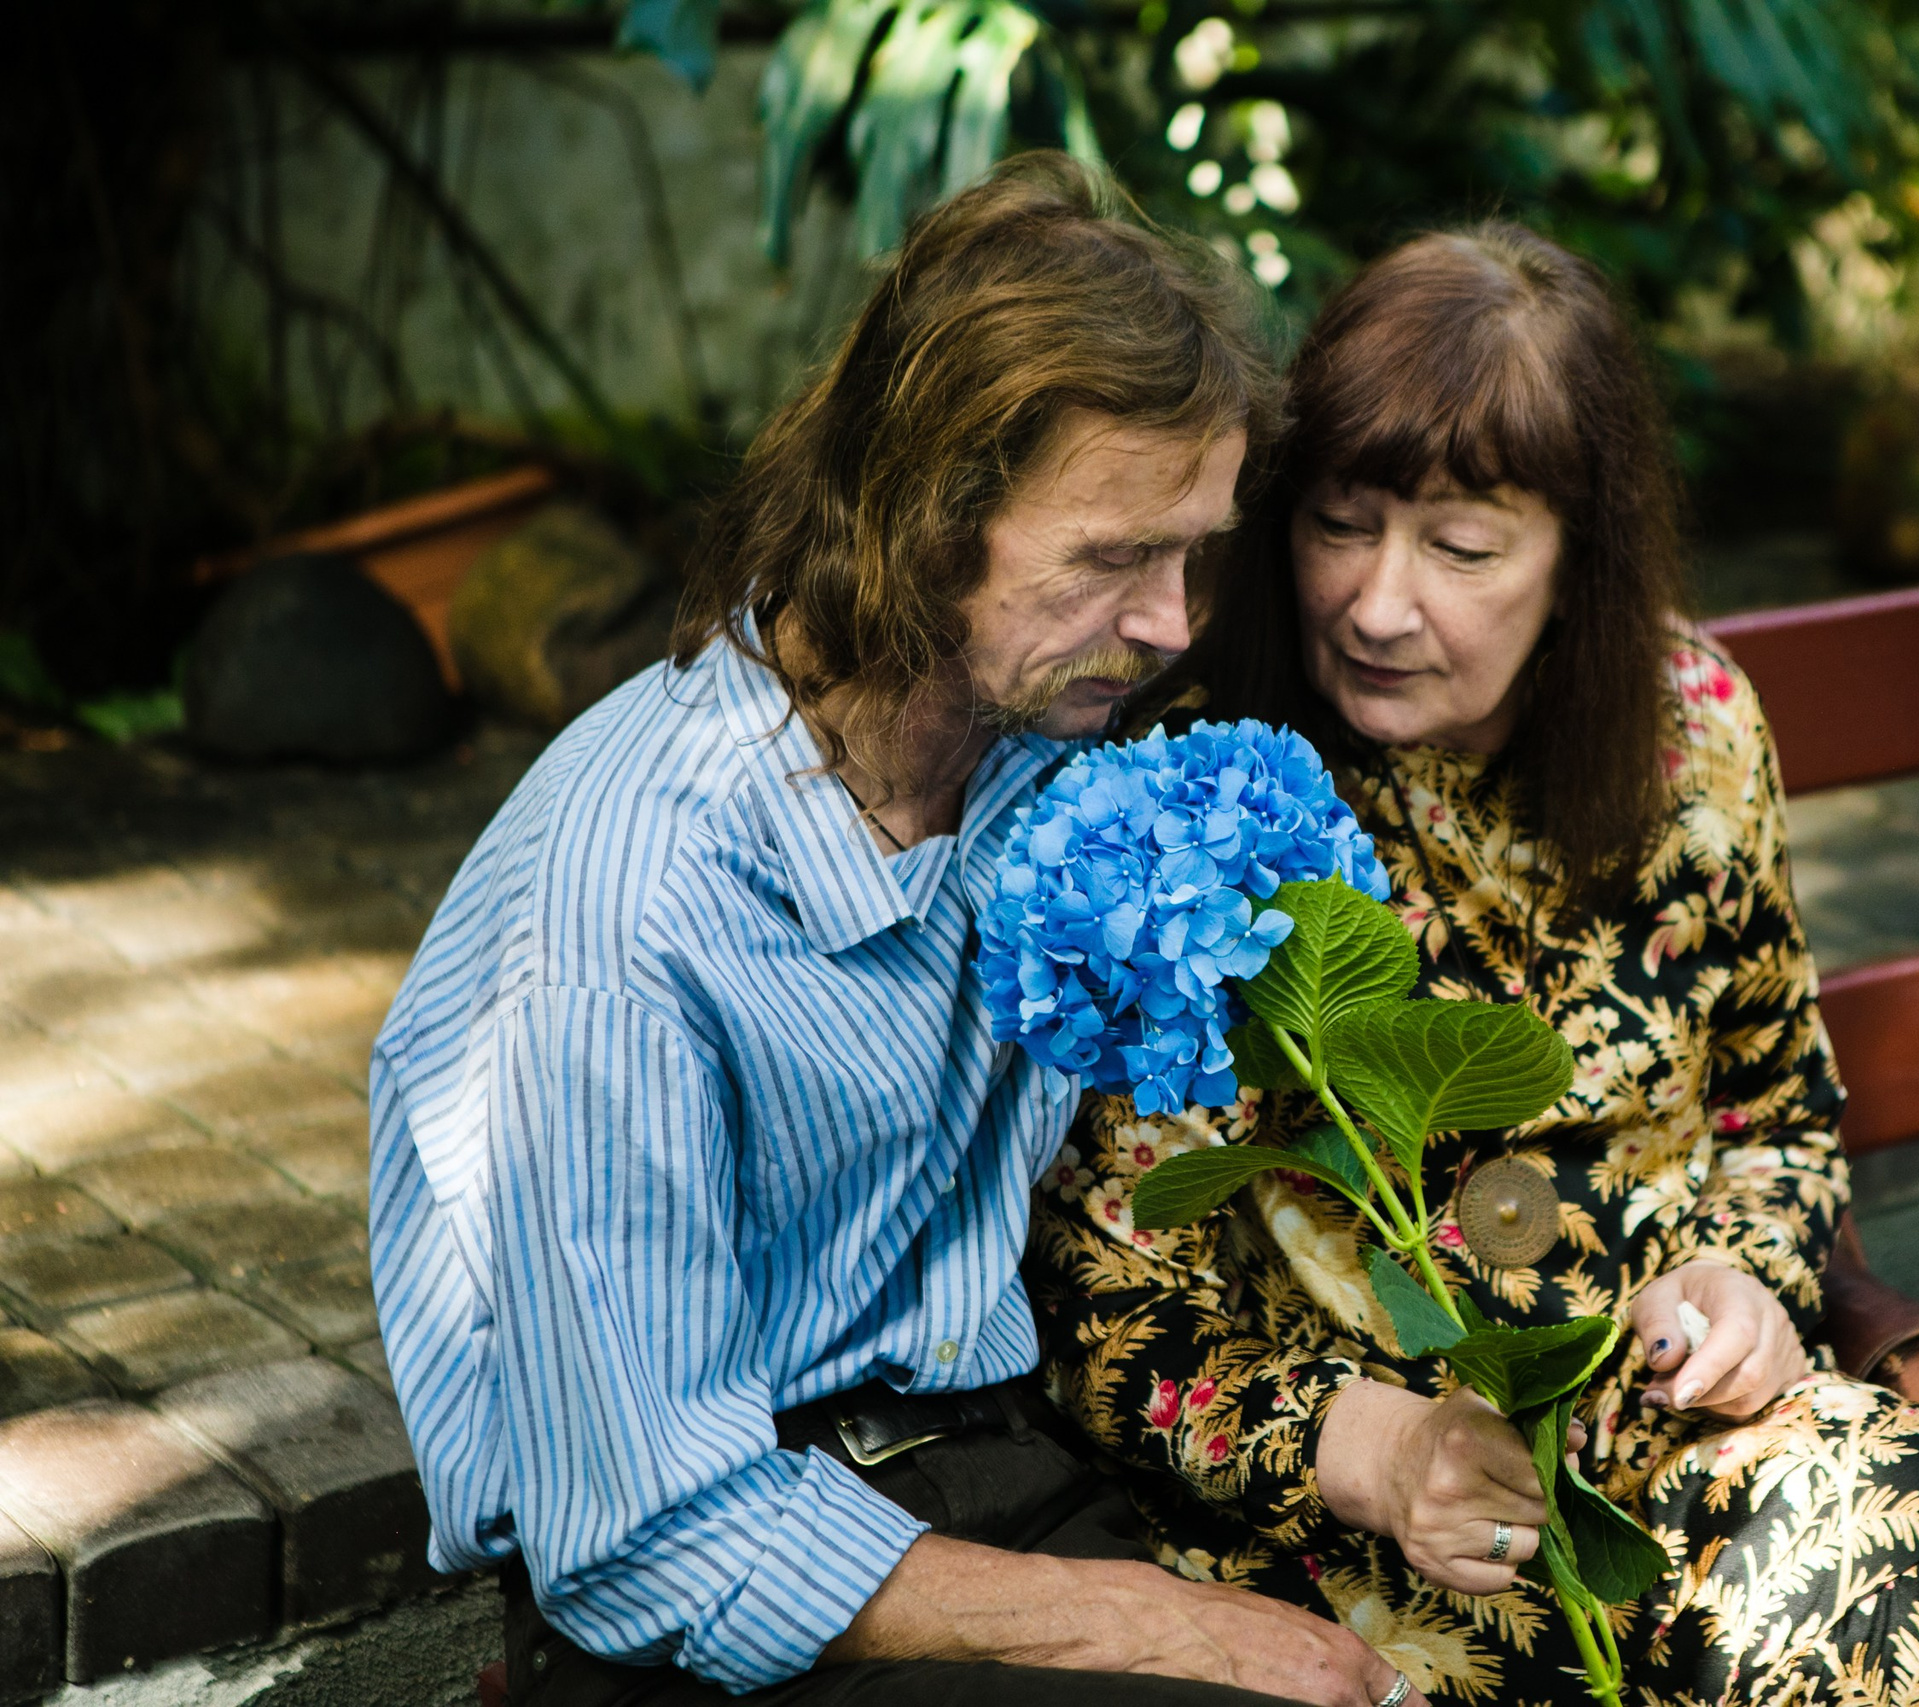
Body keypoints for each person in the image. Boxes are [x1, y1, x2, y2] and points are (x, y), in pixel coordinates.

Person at [367, 159, 1411, 1707]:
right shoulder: (628, 912)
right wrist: (1149, 1623)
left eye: (1188, 549)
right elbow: (649, 1539)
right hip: (713, 1581)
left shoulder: (1032, 754)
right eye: (1111, 558)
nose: (1172, 621)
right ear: (924, 523)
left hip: (990, 1461)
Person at [1024, 224, 1919, 1704]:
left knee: (1886, 1536)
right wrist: (1375, 1451)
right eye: (1339, 523)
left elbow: (1776, 1114)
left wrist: (1747, 1279)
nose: (1378, 603)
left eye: (1461, 548)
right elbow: (1105, 1306)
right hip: (1365, 1527)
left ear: (1579, 557)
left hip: (1678, 1451)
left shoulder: (1691, 729)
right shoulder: (1187, 812)